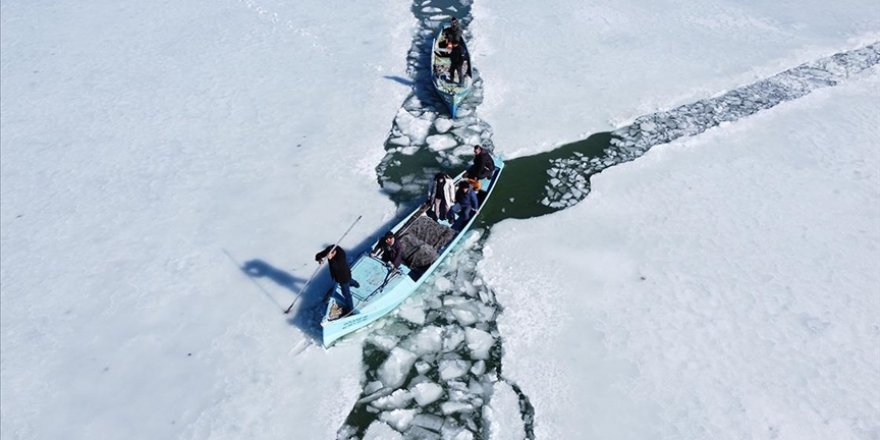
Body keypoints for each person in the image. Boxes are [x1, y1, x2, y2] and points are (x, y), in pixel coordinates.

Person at [315, 245, 359, 319]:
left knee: (346, 294)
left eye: (331, 254)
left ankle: (350, 310)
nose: (328, 255)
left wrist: (330, 259)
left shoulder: (341, 255)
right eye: (328, 253)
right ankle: (356, 284)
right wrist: (319, 259)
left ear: (334, 252)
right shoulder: (330, 250)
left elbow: (337, 267)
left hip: (343, 276)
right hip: (338, 275)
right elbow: (318, 255)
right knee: (350, 281)